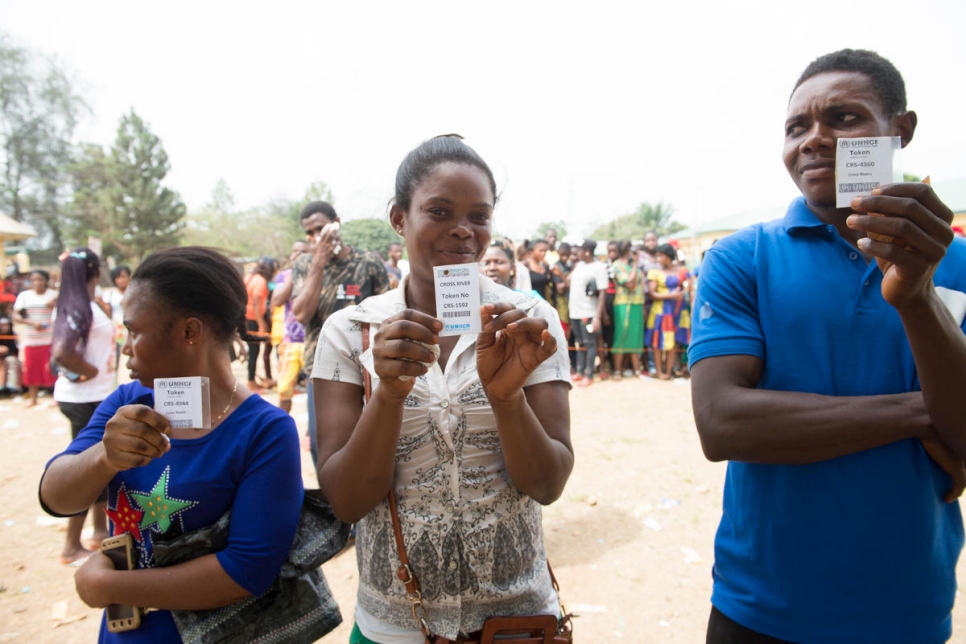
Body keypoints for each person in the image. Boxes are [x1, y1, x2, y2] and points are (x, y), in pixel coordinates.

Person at [689, 49, 966, 644]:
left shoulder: (959, 264)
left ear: (901, 131)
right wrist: (925, 412)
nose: (814, 139)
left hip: (906, 608)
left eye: (843, 119)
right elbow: (722, 424)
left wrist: (916, 294)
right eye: (796, 127)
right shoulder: (742, 258)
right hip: (757, 606)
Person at [313, 135, 572, 643]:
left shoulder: (531, 322)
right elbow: (345, 501)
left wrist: (506, 397)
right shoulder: (351, 331)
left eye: (480, 216)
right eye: (439, 210)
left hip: (515, 622)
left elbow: (547, 485)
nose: (463, 230)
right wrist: (387, 394)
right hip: (397, 625)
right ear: (398, 218)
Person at [39, 246, 303, 643]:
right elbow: (55, 499)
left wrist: (111, 588)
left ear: (189, 332)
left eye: (134, 331)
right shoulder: (127, 403)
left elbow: (247, 569)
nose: (126, 348)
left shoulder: (265, 431)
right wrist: (103, 458)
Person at [291, 200, 390, 465]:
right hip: (320, 368)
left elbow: (386, 314)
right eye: (309, 233)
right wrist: (318, 263)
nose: (314, 237)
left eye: (320, 229)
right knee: (325, 444)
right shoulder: (304, 264)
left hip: (368, 364)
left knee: (371, 439)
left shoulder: (367, 262)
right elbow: (301, 314)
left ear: (336, 223)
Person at [49, 248, 115, 564]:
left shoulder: (77, 305)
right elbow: (62, 353)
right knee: (88, 468)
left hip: (90, 395)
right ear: (96, 272)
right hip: (84, 398)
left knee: (100, 466)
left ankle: (98, 531)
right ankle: (70, 546)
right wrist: (89, 371)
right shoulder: (79, 308)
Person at [271, 240, 309, 414]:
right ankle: (282, 427)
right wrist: (295, 274)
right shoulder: (284, 276)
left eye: (302, 252)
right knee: (285, 390)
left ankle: (312, 436)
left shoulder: (318, 275)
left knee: (316, 393)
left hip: (313, 341)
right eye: (295, 252)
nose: (297, 255)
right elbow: (277, 300)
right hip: (290, 342)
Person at [13, 269, 58, 407]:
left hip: (51, 338)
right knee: (31, 368)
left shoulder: (54, 295)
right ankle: (33, 398)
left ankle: (56, 397)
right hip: (31, 339)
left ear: (46, 281)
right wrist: (31, 323)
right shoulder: (24, 296)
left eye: (40, 280)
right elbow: (16, 315)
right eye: (34, 280)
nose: (37, 283)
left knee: (52, 369)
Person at [568, 239, 608, 387]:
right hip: (575, 312)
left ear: (587, 251)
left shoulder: (599, 267)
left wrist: (597, 317)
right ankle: (580, 371)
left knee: (590, 343)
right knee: (580, 343)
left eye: (579, 250)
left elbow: (603, 293)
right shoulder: (579, 265)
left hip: (588, 312)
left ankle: (589, 374)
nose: (577, 254)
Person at [646, 243, 688, 380]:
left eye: (661, 256)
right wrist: (671, 296)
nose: (658, 259)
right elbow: (652, 293)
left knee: (673, 342)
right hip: (661, 310)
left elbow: (688, 288)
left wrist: (683, 293)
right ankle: (659, 371)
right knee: (657, 342)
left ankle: (669, 371)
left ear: (669, 256)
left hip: (677, 310)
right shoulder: (655, 272)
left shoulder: (682, 271)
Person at [611, 240, 645, 378]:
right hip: (623, 303)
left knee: (636, 335)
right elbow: (629, 283)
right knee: (622, 334)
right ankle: (617, 369)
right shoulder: (617, 265)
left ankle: (637, 369)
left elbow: (640, 286)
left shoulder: (634, 266)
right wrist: (636, 264)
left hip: (637, 303)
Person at [243, 257, 276, 391]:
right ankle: (251, 382)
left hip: (246, 318)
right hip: (253, 320)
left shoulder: (249, 277)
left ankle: (252, 380)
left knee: (253, 352)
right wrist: (261, 324)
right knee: (254, 352)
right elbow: (256, 303)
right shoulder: (260, 281)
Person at [0, 315, 21, 394]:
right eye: (2, 325)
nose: (4, 327)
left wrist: (6, 351)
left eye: (6, 325)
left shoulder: (13, 334)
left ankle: (12, 387)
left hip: (10, 357)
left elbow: (15, 350)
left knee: (11, 360)